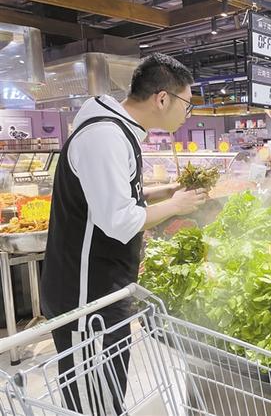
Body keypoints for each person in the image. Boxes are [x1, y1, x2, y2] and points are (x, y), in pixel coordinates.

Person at [41, 53, 205, 414]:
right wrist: (176, 205)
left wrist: (164, 192)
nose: (187, 114)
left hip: (105, 293)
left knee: (109, 394)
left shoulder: (117, 131)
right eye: (187, 104)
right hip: (86, 300)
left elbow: (111, 198)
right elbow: (117, 220)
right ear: (162, 99)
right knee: (94, 402)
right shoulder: (105, 136)